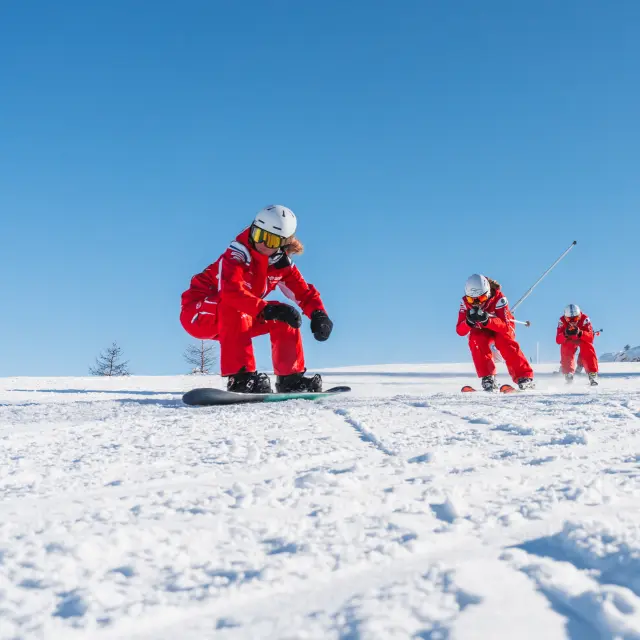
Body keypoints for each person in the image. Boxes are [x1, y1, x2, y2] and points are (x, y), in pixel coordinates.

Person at [180, 205, 333, 393]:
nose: (261, 242)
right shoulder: (237, 254)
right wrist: (265, 309)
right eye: (258, 234)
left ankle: (290, 379)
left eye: (269, 239)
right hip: (198, 313)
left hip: (239, 320)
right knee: (236, 305)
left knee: (285, 315)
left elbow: (304, 293)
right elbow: (231, 291)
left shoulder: (281, 265)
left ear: (282, 243)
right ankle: (241, 378)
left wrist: (319, 315)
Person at [456, 274, 535, 391]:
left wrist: (487, 320)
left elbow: (504, 326)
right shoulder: (465, 304)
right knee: (475, 339)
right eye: (471, 299)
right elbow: (460, 330)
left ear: (488, 293)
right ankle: (488, 378)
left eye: (481, 298)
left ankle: (524, 377)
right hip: (482, 330)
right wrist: (468, 322)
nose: (477, 303)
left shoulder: (499, 299)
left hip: (501, 327)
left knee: (504, 341)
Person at [556, 304, 598, 386]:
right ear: (565, 317)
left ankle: (592, 373)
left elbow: (590, 338)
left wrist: (580, 333)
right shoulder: (562, 321)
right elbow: (558, 340)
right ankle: (568, 373)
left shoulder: (585, 319)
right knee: (565, 346)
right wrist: (565, 334)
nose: (572, 322)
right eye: (569, 319)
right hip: (570, 340)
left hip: (582, 339)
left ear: (579, 316)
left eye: (575, 318)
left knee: (587, 346)